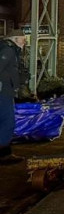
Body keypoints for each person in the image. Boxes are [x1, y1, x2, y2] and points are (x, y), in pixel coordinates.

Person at [0, 29, 25, 164]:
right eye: (23, 39)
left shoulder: (8, 49)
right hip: (3, 92)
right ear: (15, 39)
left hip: (5, 90)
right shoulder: (8, 51)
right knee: (7, 122)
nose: (25, 42)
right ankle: (4, 154)